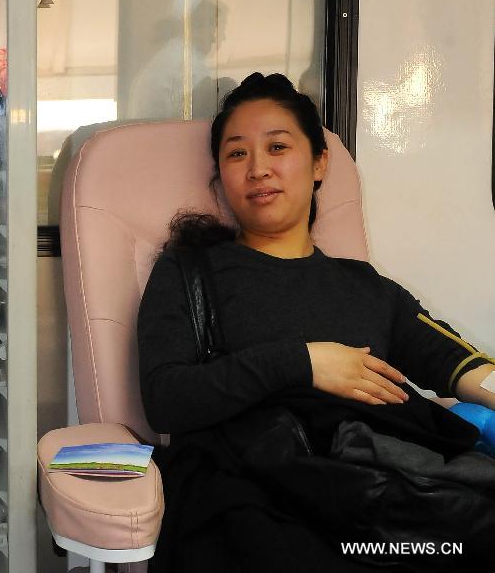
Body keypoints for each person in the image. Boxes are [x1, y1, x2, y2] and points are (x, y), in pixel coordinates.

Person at [137, 72, 495, 572]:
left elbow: (453, 359)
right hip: (256, 504)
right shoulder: (190, 273)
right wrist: (300, 363)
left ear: (319, 162)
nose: (258, 168)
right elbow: (166, 400)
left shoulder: (365, 287)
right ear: (221, 175)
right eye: (237, 154)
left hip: (384, 511)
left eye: (277, 147)